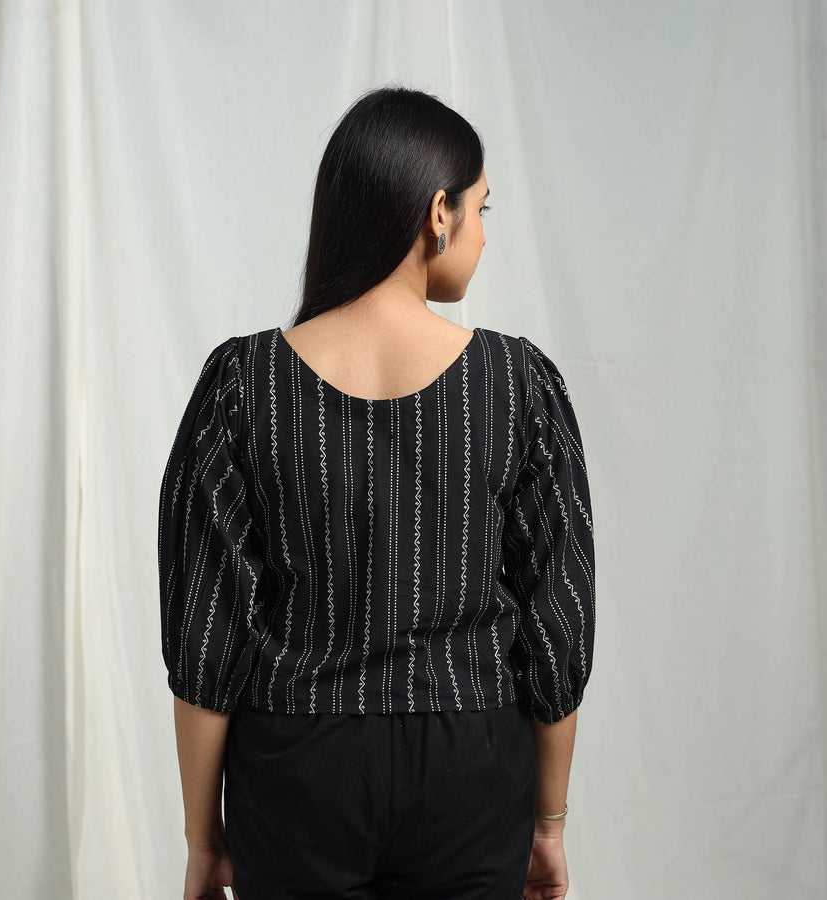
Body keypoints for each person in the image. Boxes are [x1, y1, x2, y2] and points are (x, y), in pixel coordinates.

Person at [158, 84, 596, 900]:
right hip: (472, 764)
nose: (483, 233)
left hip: (296, 767)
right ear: (438, 213)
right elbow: (557, 623)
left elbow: (206, 635)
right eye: (481, 209)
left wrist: (201, 838)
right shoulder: (516, 384)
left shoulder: (243, 385)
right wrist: (548, 823)